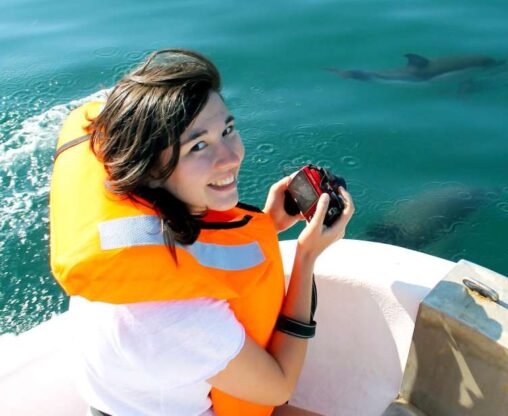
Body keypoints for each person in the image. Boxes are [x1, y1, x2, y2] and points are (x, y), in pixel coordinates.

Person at [49, 49, 354, 416]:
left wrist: (268, 224)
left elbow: (197, 252)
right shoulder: (180, 316)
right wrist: (307, 257)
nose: (230, 157)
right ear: (148, 168)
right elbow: (278, 385)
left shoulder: (127, 236)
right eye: (198, 146)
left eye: (227, 129)